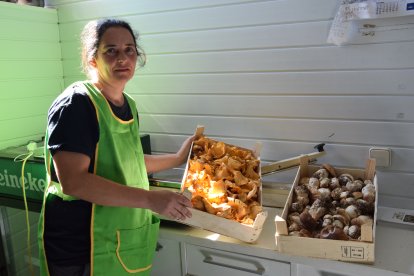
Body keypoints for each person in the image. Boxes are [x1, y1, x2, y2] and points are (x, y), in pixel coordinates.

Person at [37, 18, 193, 276]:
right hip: (80, 246)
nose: (123, 58)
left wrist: (178, 158)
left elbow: (128, 161)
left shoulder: (128, 104)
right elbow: (74, 181)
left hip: (119, 238)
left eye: (129, 49)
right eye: (111, 50)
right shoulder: (76, 104)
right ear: (92, 59)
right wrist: (150, 199)